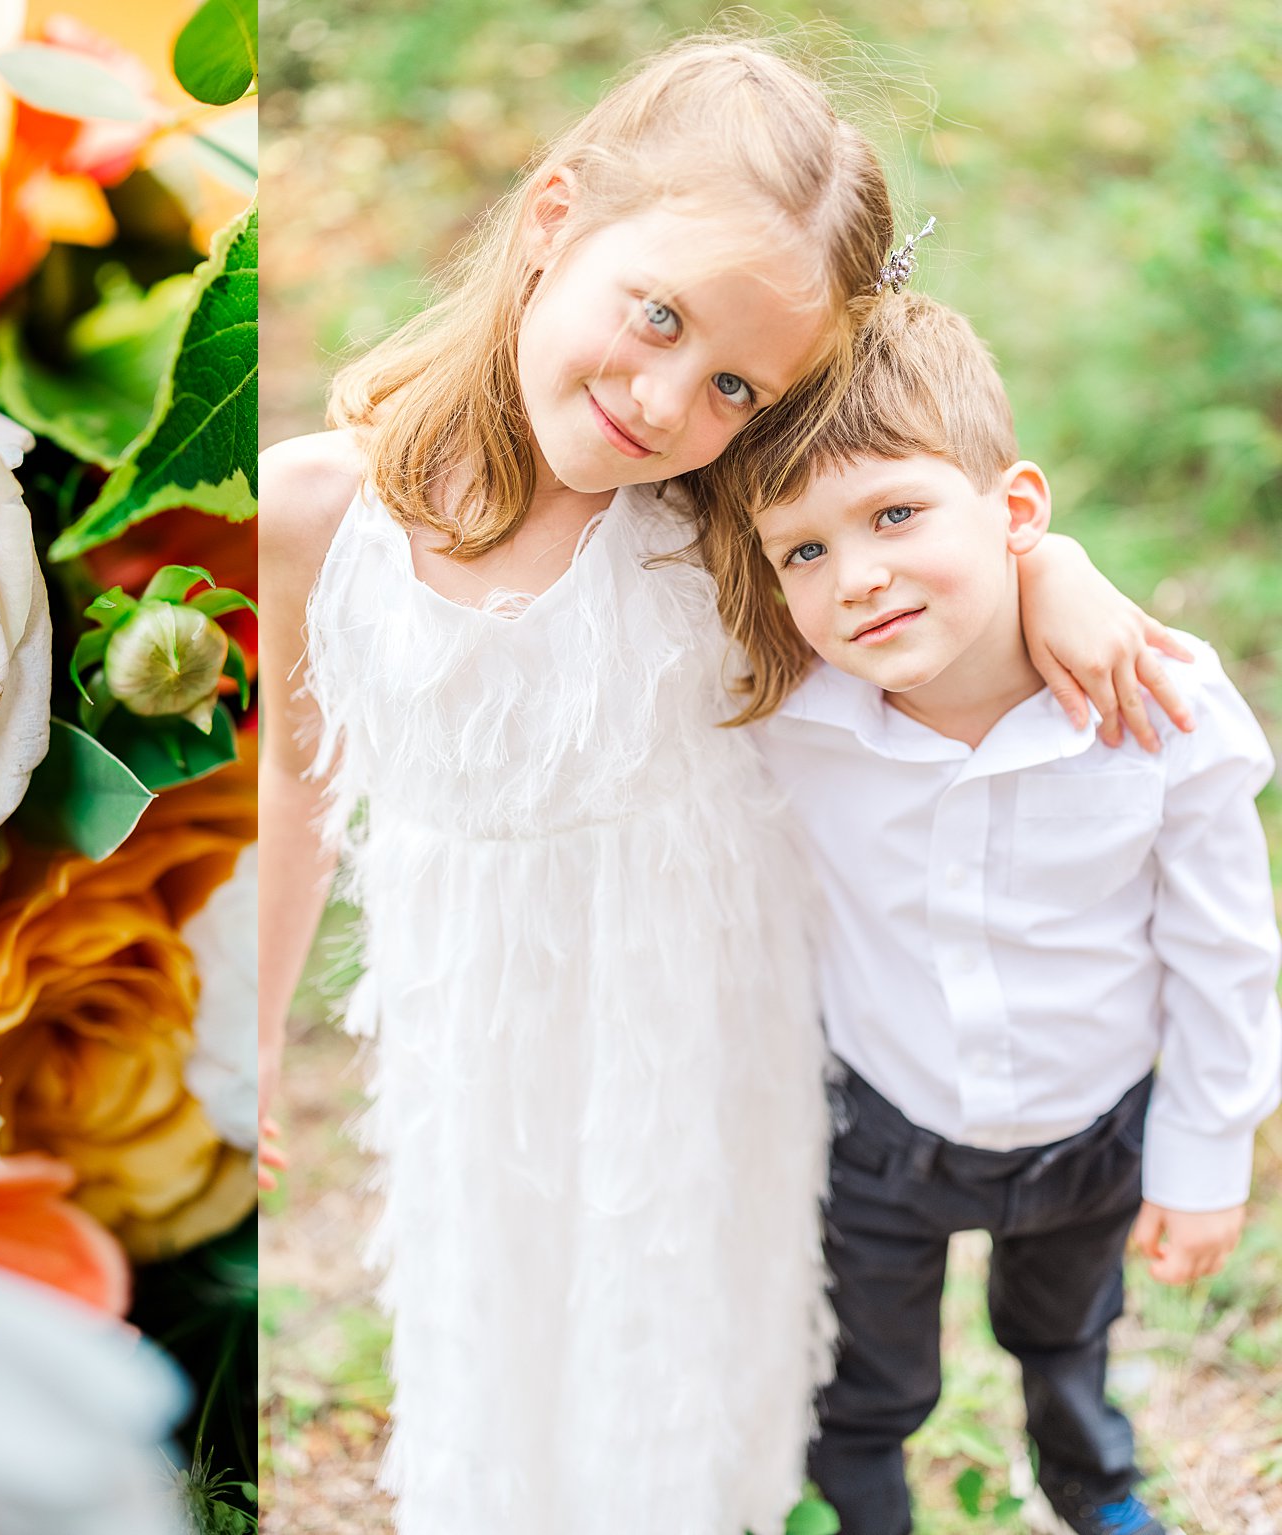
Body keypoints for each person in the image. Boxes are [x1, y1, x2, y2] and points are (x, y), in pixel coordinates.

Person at [258, 33, 1194, 1534]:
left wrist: (1051, 566)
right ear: (554, 217)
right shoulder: (316, 510)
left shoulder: (720, 535)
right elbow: (296, 784)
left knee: (682, 1337)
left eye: (737, 385)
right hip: (472, 1020)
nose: (667, 397)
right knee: (494, 1305)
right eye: (657, 315)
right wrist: (243, 1033)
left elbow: (922, 529)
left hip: (692, 1025)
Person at [710, 291, 1282, 1535]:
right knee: (868, 1379)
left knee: (1064, 1334)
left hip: (1092, 1129)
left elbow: (1223, 951)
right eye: (801, 550)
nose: (854, 575)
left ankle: (1092, 1486)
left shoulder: (1155, 713)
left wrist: (1202, 1156)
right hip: (881, 1128)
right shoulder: (788, 722)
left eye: (894, 514)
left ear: (1015, 511)